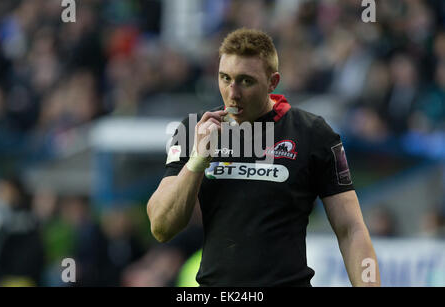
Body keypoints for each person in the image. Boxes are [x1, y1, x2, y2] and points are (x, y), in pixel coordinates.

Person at [147, 28, 380, 287]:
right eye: (225, 78)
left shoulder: (314, 134)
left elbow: (351, 230)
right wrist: (197, 161)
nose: (232, 93)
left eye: (246, 81)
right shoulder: (194, 129)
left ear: (273, 81)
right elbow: (161, 227)